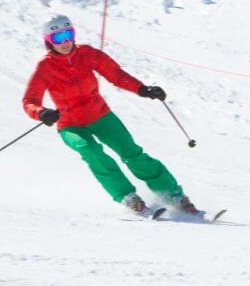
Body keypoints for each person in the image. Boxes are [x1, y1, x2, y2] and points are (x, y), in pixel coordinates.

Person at [22, 14, 198, 216]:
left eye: (68, 34)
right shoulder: (45, 67)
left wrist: (143, 89)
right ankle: (129, 198)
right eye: (58, 38)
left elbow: (116, 74)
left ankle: (173, 195)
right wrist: (42, 113)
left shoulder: (87, 54)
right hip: (70, 124)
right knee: (90, 150)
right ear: (48, 42)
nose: (65, 42)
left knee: (132, 153)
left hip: (100, 115)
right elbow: (29, 101)